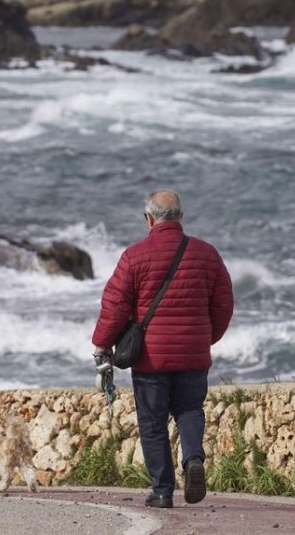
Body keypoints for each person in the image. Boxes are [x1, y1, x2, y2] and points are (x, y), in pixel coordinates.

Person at [91, 190, 233, 509]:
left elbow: (115, 306)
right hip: (193, 354)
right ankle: (193, 460)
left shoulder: (134, 256)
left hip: (151, 359)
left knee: (153, 422)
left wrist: (101, 343)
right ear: (180, 217)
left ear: (149, 219)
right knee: (189, 410)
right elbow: (224, 304)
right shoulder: (207, 254)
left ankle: (162, 491)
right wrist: (204, 339)